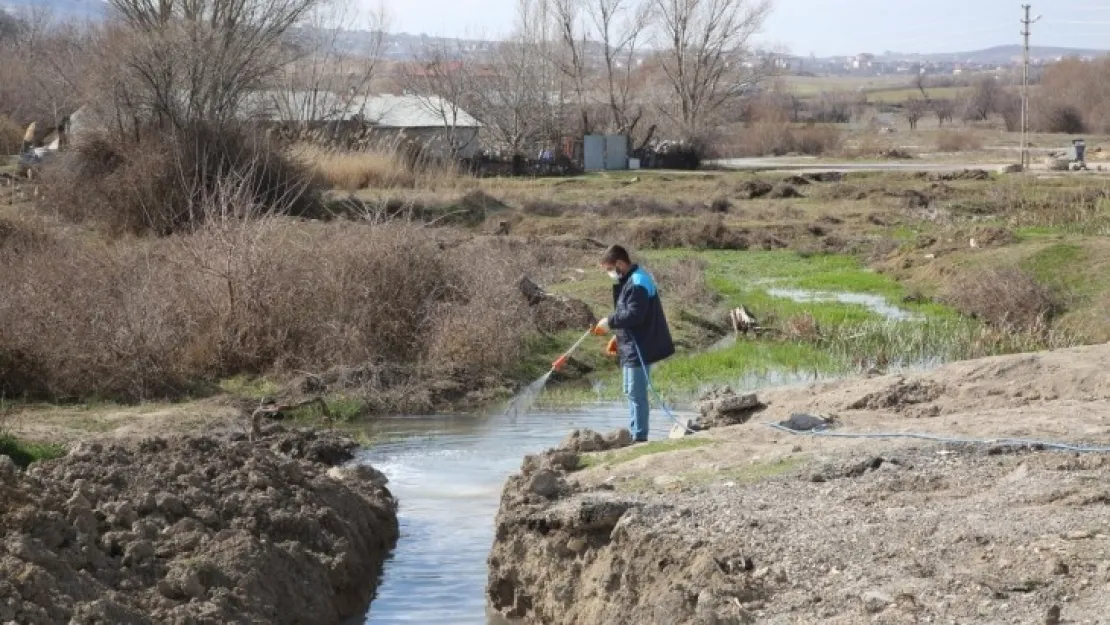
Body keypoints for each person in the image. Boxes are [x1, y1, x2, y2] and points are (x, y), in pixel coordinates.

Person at [592, 245, 674, 442]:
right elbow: (626, 314)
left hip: (641, 345)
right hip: (631, 343)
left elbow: (635, 315)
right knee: (630, 391)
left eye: (610, 269)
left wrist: (609, 322)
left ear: (620, 263)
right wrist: (617, 337)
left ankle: (639, 437)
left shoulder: (638, 281)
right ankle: (635, 432)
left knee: (636, 393)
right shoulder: (628, 280)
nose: (610, 274)